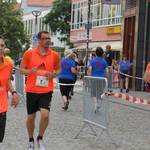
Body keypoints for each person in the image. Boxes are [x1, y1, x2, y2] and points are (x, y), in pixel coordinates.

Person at [20, 31, 61, 150]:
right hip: (32, 90)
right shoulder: (29, 53)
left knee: (45, 114)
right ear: (39, 40)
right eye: (45, 38)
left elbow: (59, 70)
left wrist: (53, 74)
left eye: (49, 38)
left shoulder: (54, 55)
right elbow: (22, 69)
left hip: (46, 90)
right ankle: (31, 139)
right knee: (31, 117)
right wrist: (29, 72)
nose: (48, 40)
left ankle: (40, 137)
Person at [0, 36, 19, 143]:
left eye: (2, 45)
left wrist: (14, 92)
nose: (0, 48)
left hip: (1, 108)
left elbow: (7, 81)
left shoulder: (9, 63)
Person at [88, 47, 109, 113]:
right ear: (102, 53)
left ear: (96, 53)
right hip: (102, 79)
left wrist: (89, 77)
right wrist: (107, 77)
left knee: (93, 93)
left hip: (94, 78)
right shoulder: (104, 61)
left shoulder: (93, 60)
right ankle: (99, 104)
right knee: (101, 92)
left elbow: (90, 69)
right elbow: (107, 71)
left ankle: (95, 104)